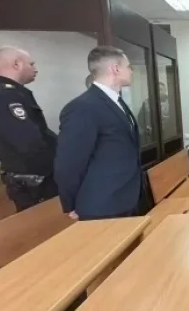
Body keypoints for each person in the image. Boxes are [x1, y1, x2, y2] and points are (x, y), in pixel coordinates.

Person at [54, 46, 141, 221]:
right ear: (116, 69)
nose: (131, 71)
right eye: (128, 66)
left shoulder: (116, 101)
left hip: (125, 197)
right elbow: (69, 161)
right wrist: (71, 203)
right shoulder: (83, 107)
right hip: (102, 204)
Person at [0, 46, 58, 212]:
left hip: (35, 175)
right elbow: (27, 142)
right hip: (34, 178)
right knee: (42, 221)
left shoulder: (10, 94)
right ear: (16, 64)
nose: (35, 69)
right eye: (31, 64)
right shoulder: (3, 96)